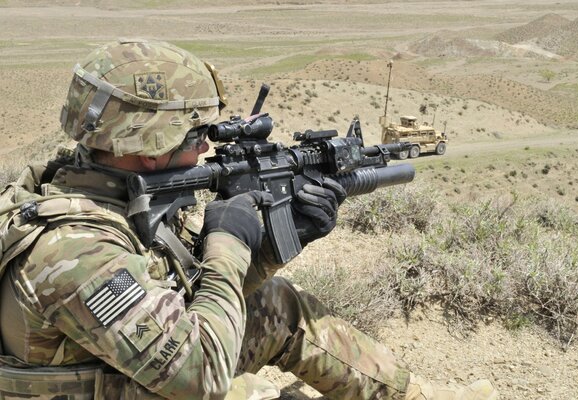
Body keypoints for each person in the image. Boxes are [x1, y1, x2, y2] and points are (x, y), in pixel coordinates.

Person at [0, 40, 498, 400]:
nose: (205, 149)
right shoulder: (75, 252)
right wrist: (228, 244)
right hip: (162, 377)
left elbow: (178, 297)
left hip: (122, 367)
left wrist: (268, 252)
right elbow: (200, 377)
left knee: (276, 306)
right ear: (149, 146)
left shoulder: (88, 188)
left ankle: (415, 396)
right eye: (195, 136)